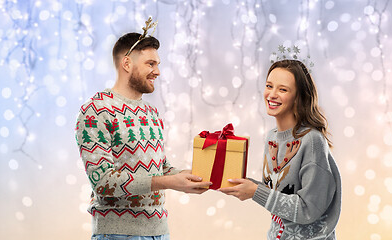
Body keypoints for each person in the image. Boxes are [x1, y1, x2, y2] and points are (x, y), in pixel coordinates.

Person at [75, 28, 212, 240]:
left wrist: (190, 177)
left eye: (158, 64)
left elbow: (161, 168)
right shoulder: (96, 110)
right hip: (117, 234)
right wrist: (168, 182)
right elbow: (102, 181)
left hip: (160, 232)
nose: (157, 71)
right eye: (151, 64)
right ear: (127, 64)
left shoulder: (150, 112)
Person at [219, 59, 342, 240]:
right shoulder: (272, 137)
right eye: (269, 86)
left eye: (283, 89)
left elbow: (309, 209)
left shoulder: (312, 141)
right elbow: (276, 194)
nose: (272, 94)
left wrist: (255, 192)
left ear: (298, 97)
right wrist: (243, 184)